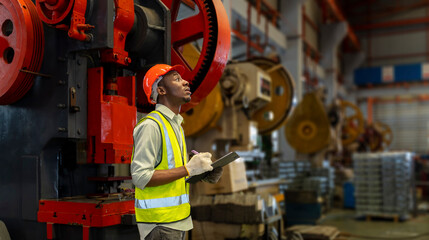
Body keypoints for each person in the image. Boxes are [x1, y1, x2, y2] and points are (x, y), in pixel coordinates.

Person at [131, 64, 223, 240]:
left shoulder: (175, 126)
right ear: (161, 90)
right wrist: (188, 169)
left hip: (177, 220)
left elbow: (171, 169)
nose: (186, 82)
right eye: (177, 79)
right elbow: (140, 177)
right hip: (160, 224)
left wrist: (200, 171)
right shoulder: (151, 126)